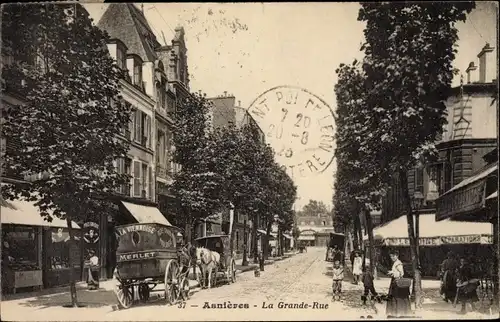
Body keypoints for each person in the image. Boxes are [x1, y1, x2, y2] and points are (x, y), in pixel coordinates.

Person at [385, 250, 411, 318]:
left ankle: (399, 312)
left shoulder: (398, 263)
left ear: (397, 256)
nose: (392, 258)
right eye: (391, 256)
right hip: (395, 281)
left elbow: (401, 273)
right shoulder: (395, 263)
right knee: (394, 297)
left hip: (397, 282)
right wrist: (392, 272)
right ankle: (395, 312)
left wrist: (393, 273)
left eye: (393, 256)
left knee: (397, 297)